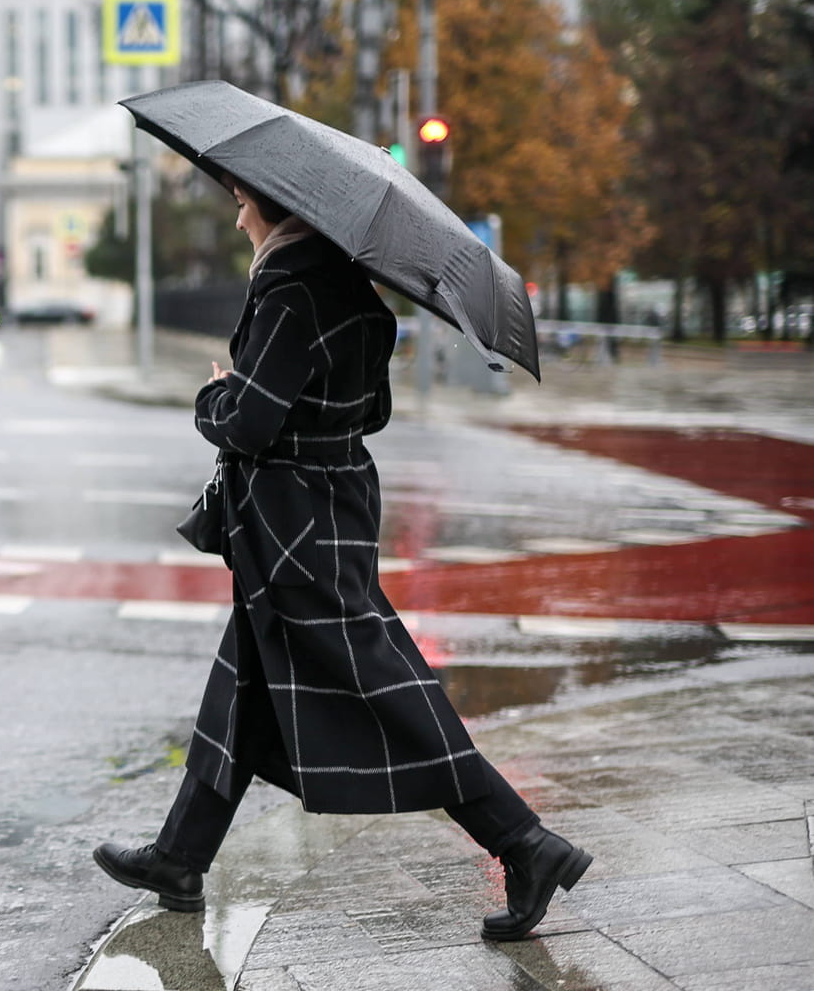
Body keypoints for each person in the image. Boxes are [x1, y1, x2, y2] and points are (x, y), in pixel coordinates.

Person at [93, 176, 591, 942]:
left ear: (276, 208)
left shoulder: (290, 291)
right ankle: (180, 857)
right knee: (247, 682)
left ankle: (526, 842)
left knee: (384, 689)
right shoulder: (359, 296)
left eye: (240, 203)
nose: (236, 216)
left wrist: (211, 397)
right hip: (336, 509)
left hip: (291, 522)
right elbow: (375, 412)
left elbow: (251, 425)